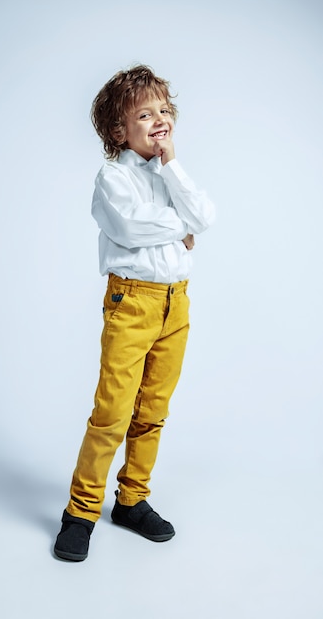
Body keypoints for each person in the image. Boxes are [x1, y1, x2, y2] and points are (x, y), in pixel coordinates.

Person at [54, 64, 215, 561]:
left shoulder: (170, 174)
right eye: (145, 113)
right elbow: (129, 227)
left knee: (152, 411)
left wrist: (176, 174)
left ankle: (132, 500)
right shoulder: (113, 176)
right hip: (134, 301)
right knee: (112, 413)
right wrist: (180, 227)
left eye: (164, 110)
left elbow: (204, 217)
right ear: (119, 130)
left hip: (175, 303)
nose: (159, 119)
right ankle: (80, 512)